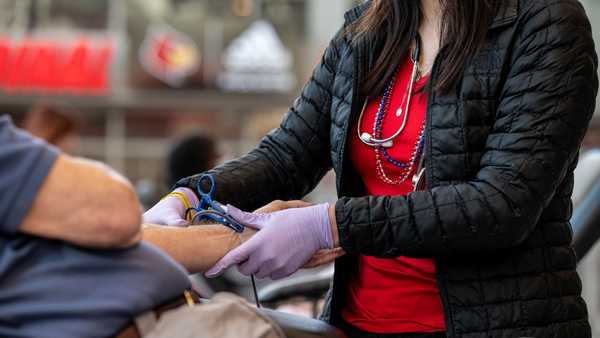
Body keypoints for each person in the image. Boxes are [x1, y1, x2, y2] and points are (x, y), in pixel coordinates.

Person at [148, 0, 599, 337]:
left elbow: (502, 204)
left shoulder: (545, 25)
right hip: (355, 323)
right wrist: (191, 196)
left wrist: (330, 224)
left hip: (497, 325)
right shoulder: (367, 30)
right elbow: (286, 154)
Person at [0, 115, 283, 338]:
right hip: (149, 326)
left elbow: (132, 240)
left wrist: (244, 234)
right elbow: (117, 214)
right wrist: (247, 232)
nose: (67, 153)